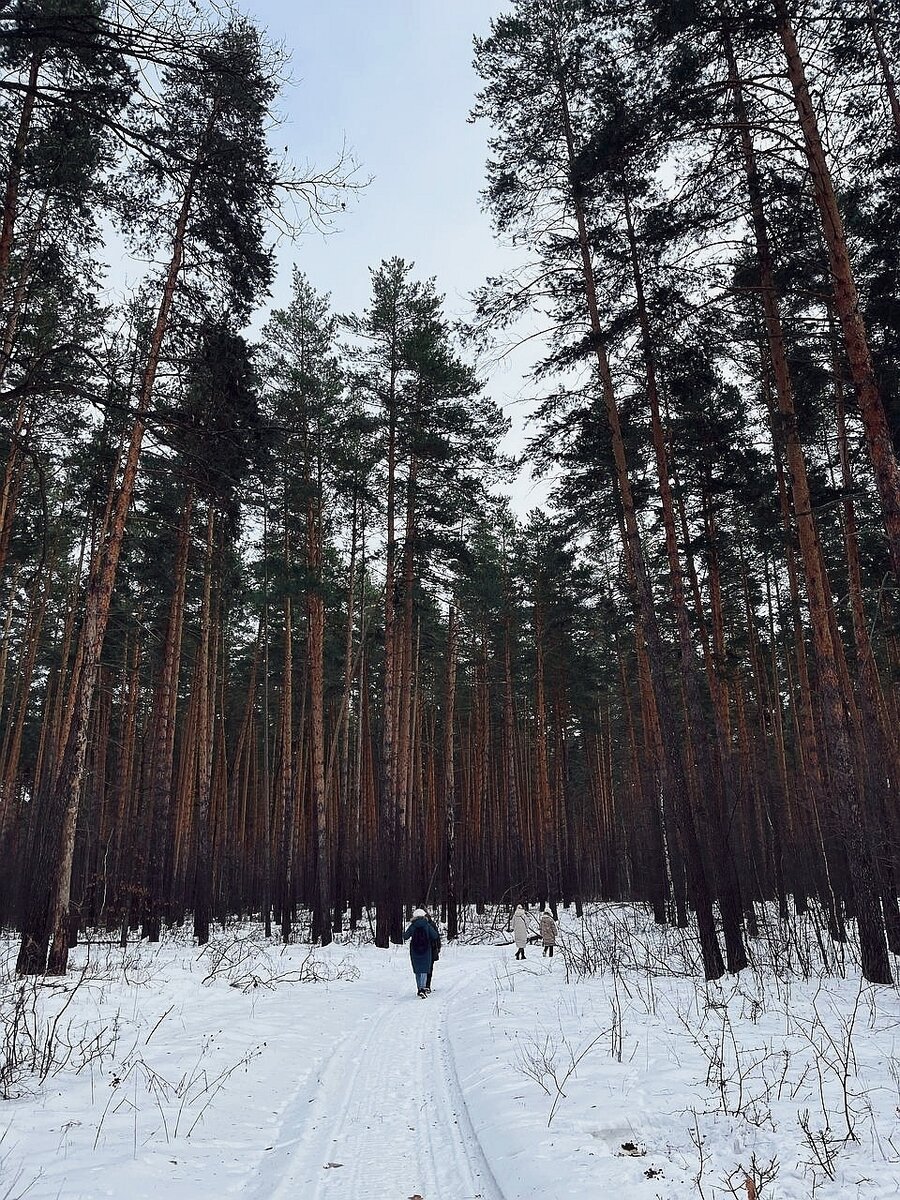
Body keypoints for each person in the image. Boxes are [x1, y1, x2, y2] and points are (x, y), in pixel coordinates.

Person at [403, 907, 440, 998]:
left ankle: (419, 988)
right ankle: (423, 988)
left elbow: (405, 936)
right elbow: (435, 936)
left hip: (414, 951)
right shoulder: (427, 925)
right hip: (426, 950)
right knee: (424, 969)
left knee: (417, 970)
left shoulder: (412, 926)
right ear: (424, 915)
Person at [424, 910, 441, 993]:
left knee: (424, 968)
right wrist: (438, 947)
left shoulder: (417, 924)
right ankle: (427, 985)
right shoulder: (432, 924)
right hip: (431, 948)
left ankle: (423, 986)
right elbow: (436, 937)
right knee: (429, 967)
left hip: (424, 949)